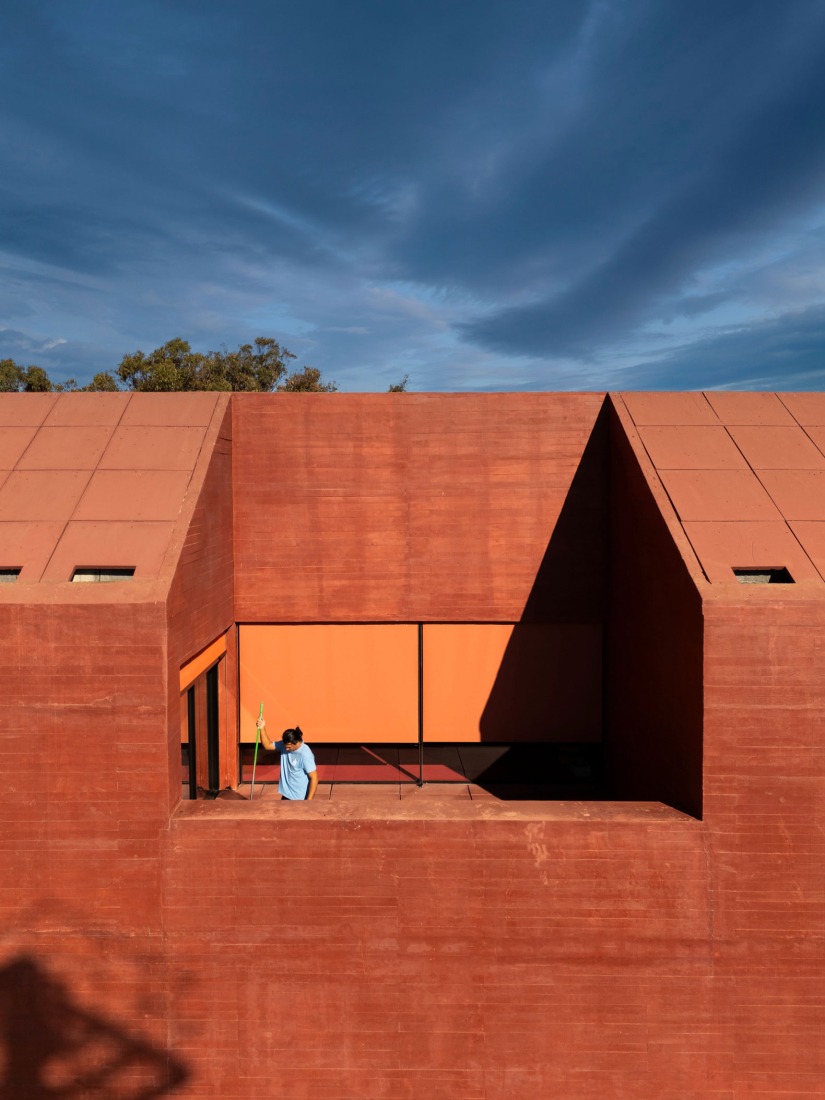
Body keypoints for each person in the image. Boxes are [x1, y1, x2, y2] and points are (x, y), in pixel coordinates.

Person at [256, 718, 318, 801]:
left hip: (299, 798)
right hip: (287, 795)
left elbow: (314, 778)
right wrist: (262, 728)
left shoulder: (305, 754)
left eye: (289, 747)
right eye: (285, 746)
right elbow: (267, 745)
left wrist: (308, 802)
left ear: (296, 743)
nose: (286, 749)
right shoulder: (285, 744)